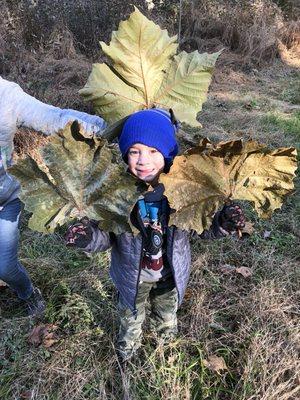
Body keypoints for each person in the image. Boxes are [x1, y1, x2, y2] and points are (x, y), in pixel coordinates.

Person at [65, 108, 245, 361]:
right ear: (125, 155)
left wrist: (223, 224)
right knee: (130, 317)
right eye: (134, 151)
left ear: (168, 154)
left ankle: (166, 347)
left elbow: (200, 229)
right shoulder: (116, 192)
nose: (143, 160)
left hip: (170, 275)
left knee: (167, 314)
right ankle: (127, 351)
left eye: (153, 151)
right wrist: (87, 237)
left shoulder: (185, 193)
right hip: (132, 277)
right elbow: (105, 235)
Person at [0, 77, 107, 316]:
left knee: (4, 267)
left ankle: (27, 292)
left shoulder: (6, 94)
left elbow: (54, 118)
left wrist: (108, 127)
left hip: (4, 199)